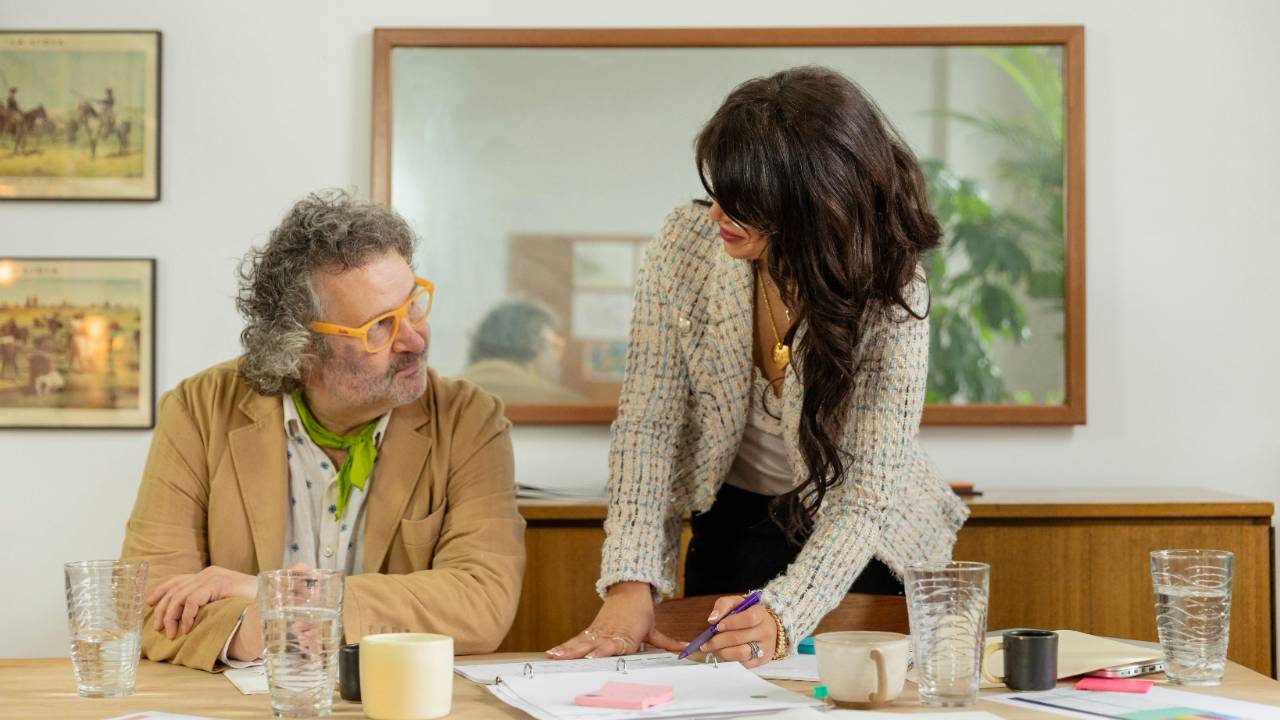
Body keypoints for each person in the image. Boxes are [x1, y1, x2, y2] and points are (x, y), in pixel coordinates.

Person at [548, 66, 969, 667]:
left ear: (813, 204)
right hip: (733, 520)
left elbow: (866, 497)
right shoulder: (684, 247)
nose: (718, 211)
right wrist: (629, 581)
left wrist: (786, 612)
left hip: (862, 545)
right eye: (719, 187)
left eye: (746, 203)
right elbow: (648, 426)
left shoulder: (892, 291)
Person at [120, 190, 526, 671]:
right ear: (302, 348)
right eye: (379, 327)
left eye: (413, 304)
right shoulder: (197, 410)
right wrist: (266, 629)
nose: (414, 338)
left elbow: (482, 602)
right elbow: (150, 605)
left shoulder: (469, 420)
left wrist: (283, 596)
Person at [459, 299, 586, 404]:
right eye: (555, 346)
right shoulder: (567, 405)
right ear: (533, 345)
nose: (558, 359)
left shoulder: (444, 395)